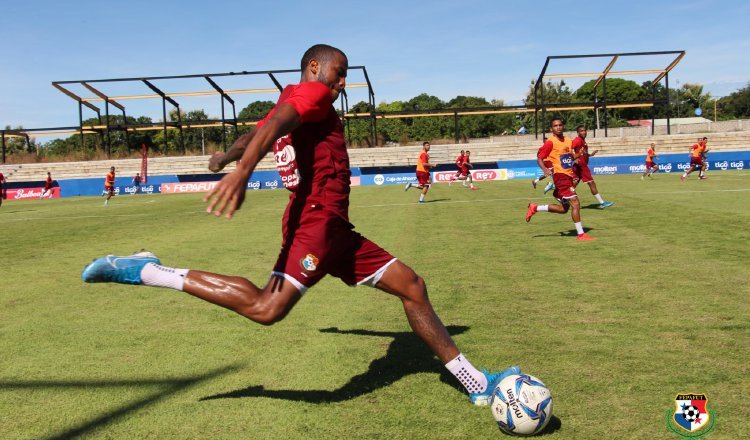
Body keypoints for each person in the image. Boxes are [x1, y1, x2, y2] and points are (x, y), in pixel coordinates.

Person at [82, 44, 519, 406]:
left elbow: (257, 132)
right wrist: (241, 171)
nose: (341, 83)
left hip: (335, 230)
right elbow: (273, 126)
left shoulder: (293, 100)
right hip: (315, 224)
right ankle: (146, 269)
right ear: (315, 67)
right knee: (266, 308)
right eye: (338, 73)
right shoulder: (310, 96)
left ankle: (476, 385)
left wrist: (231, 156)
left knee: (412, 286)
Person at [525, 117, 596, 241]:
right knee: (576, 203)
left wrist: (577, 155)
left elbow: (570, 156)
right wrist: (545, 170)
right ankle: (581, 235)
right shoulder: (550, 142)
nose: (558, 127)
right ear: (551, 129)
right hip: (560, 177)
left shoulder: (568, 140)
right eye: (555, 126)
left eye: (560, 125)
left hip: (568, 176)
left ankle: (535, 207)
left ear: (563, 126)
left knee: (564, 209)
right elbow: (539, 158)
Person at [571, 126, 613, 208]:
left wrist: (590, 154)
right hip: (582, 165)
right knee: (591, 183)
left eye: (585, 130)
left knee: (573, 184)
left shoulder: (582, 141)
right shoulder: (577, 140)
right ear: (578, 132)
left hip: (579, 165)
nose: (584, 132)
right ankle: (602, 203)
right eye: (581, 131)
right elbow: (570, 149)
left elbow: (583, 153)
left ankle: (562, 197)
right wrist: (574, 158)